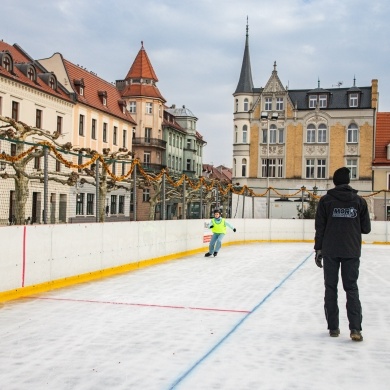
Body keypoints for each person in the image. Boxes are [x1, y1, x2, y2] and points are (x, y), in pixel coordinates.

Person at [314, 167, 371, 341]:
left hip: (330, 250)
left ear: (334, 182)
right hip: (351, 250)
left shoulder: (325, 201)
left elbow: (320, 228)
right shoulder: (359, 202)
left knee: (331, 288)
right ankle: (355, 329)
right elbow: (366, 229)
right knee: (351, 288)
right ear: (348, 181)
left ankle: (333, 328)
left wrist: (318, 249)